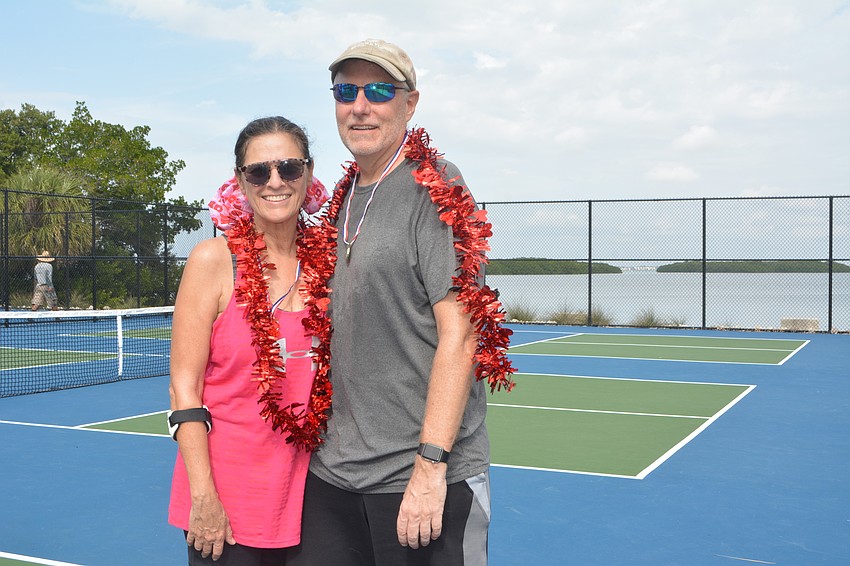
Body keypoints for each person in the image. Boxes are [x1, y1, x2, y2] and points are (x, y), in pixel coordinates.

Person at [289, 39, 515, 566]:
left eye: (379, 91)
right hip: (333, 475)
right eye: (346, 91)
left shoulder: (435, 186)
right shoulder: (340, 198)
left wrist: (431, 464)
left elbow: (460, 335)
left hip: (420, 478)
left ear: (409, 104)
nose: (360, 106)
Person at [167, 116, 330, 565]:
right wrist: (204, 498)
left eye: (289, 168)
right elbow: (184, 387)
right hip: (228, 499)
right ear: (241, 181)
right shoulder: (213, 261)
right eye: (259, 171)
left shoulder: (330, 262)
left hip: (318, 495)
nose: (275, 181)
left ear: (308, 174)